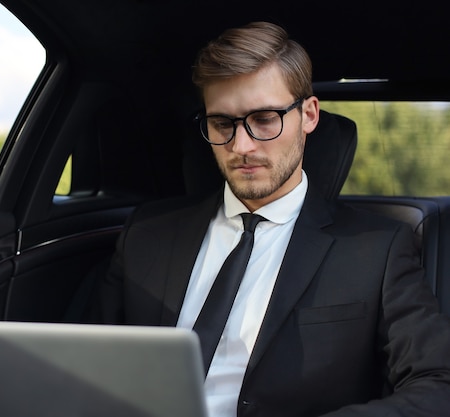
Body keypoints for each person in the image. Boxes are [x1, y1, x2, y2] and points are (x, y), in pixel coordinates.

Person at [88, 21, 450, 417]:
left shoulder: (378, 248)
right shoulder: (146, 233)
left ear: (308, 115)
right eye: (222, 124)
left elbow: (437, 382)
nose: (241, 146)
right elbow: (82, 364)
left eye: (264, 119)